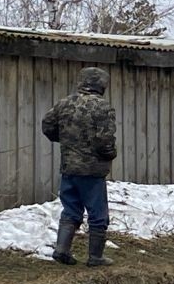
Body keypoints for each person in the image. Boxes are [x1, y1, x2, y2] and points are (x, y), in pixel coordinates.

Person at [41, 67, 119, 266]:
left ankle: (61, 250)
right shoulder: (103, 107)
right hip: (92, 171)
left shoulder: (64, 103)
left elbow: (47, 126)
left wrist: (67, 141)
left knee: (71, 210)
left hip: (68, 167)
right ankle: (95, 257)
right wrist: (110, 154)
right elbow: (104, 141)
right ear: (101, 85)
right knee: (98, 214)